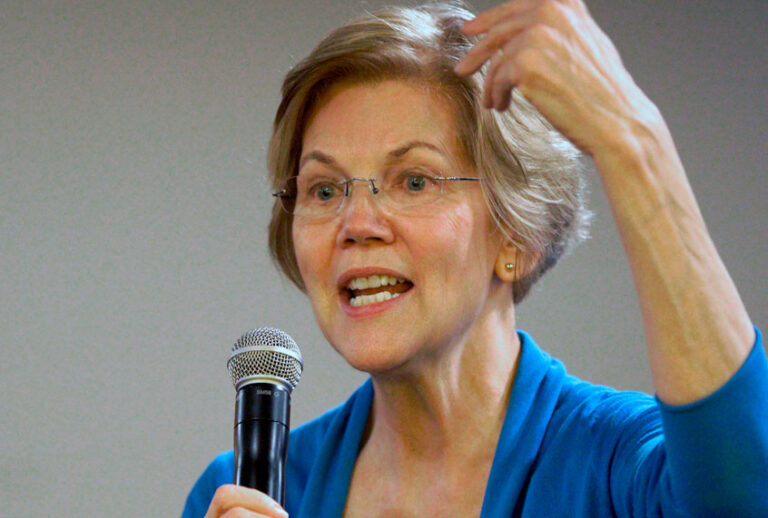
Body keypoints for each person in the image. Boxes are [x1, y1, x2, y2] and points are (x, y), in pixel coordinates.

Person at [183, 2, 767, 516]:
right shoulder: (244, 496)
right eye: (325, 189)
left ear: (516, 234)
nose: (356, 224)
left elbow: (743, 500)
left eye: (414, 180)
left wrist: (634, 142)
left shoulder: (618, 465)